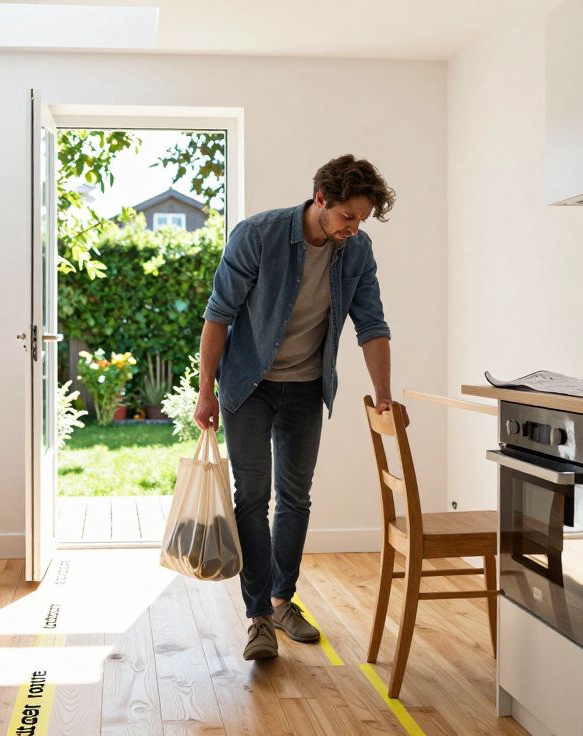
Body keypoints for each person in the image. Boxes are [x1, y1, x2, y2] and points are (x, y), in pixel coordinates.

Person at [193, 154, 407, 660]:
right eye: (347, 217)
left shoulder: (356, 251)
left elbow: (372, 324)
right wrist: (206, 391)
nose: (355, 228)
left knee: (296, 497)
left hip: (308, 388)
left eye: (362, 219)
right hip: (248, 385)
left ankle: (283, 599)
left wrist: (383, 395)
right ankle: (258, 619)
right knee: (252, 497)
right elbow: (218, 315)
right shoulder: (258, 236)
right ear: (321, 200)